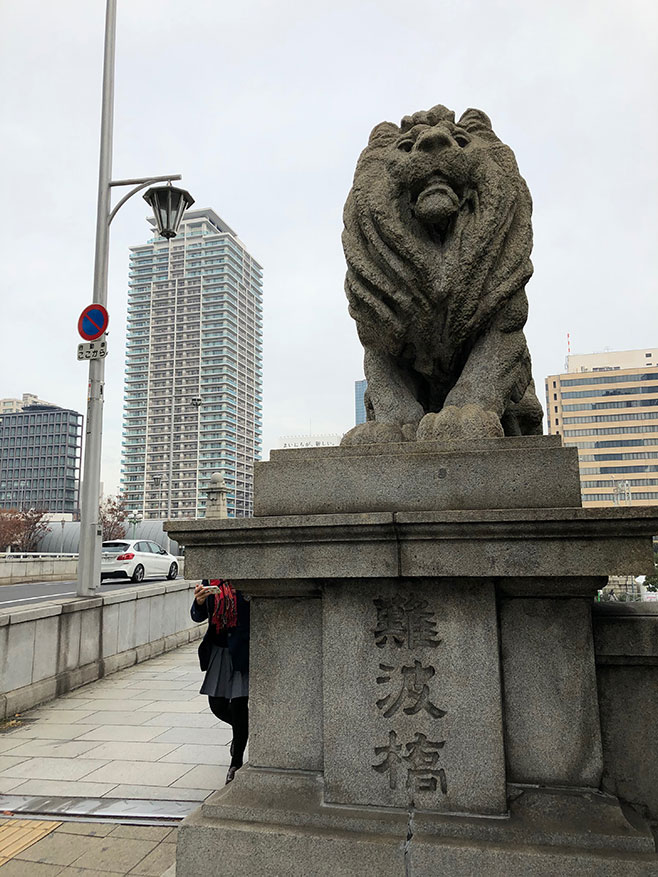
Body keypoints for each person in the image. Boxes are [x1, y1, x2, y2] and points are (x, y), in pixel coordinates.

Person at [191, 579, 250, 784]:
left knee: (239, 705)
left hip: (242, 650)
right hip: (218, 649)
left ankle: (236, 762)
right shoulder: (210, 582)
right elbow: (197, 616)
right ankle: (245, 729)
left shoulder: (245, 581)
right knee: (217, 705)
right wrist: (199, 601)